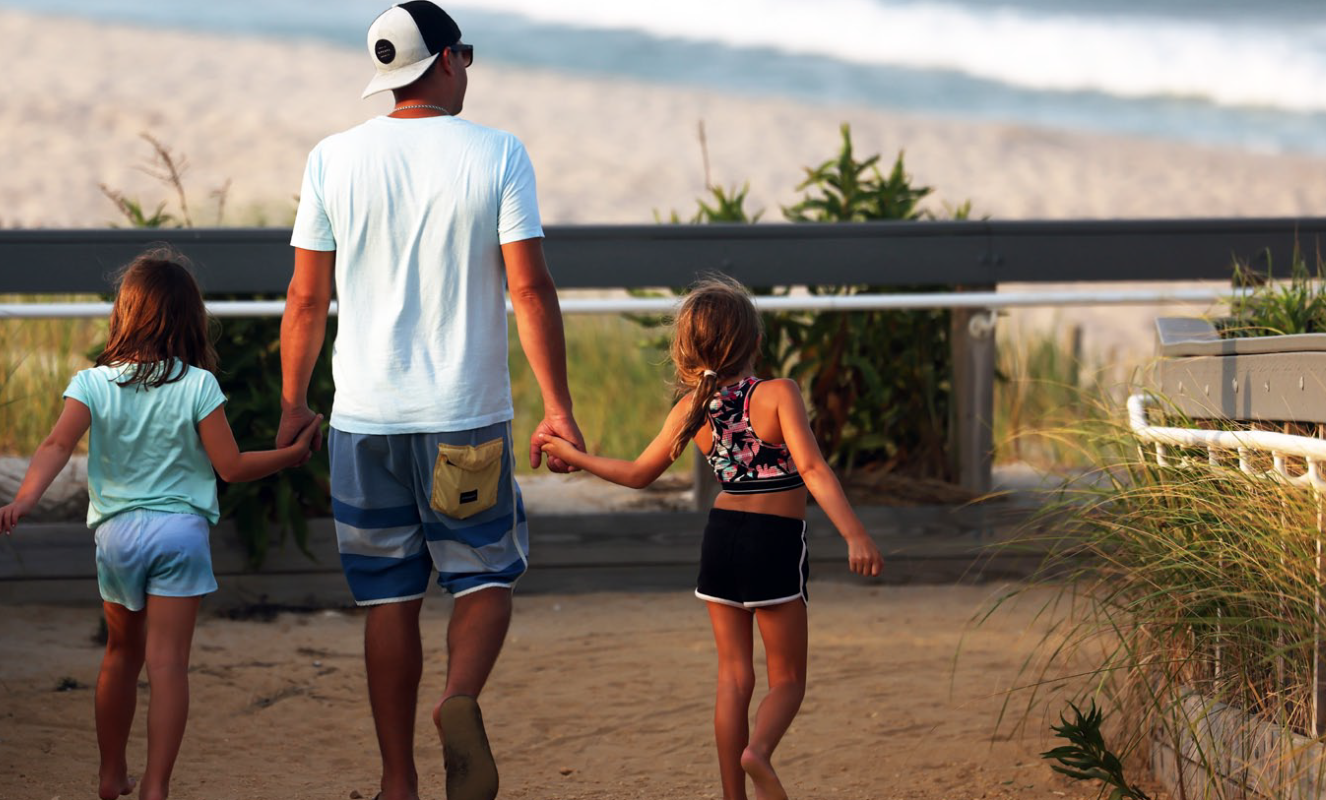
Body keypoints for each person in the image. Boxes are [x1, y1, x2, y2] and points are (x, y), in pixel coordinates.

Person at [276, 3, 584, 799]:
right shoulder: (498, 153)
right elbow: (529, 287)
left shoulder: (331, 159)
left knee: (388, 597)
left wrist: (291, 403)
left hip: (363, 424)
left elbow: (306, 301)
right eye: (467, 56)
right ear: (447, 61)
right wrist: (558, 406)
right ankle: (457, 700)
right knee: (482, 576)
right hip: (464, 415)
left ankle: (396, 780)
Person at [0, 249, 320, 800]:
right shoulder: (197, 386)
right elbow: (231, 469)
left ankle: (111, 774)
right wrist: (291, 455)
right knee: (168, 666)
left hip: (117, 538)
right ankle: (157, 786)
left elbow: (55, 444)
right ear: (190, 317)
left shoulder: (91, 384)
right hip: (179, 536)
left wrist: (23, 500)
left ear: (124, 314)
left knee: (120, 655)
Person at [536, 277, 885, 800]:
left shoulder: (691, 410)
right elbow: (811, 468)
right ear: (754, 342)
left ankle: (732, 795)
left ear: (686, 349)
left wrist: (575, 455)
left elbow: (637, 474)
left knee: (732, 677)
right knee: (787, 679)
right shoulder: (778, 393)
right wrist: (855, 534)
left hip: (720, 540)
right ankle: (758, 753)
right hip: (774, 539)